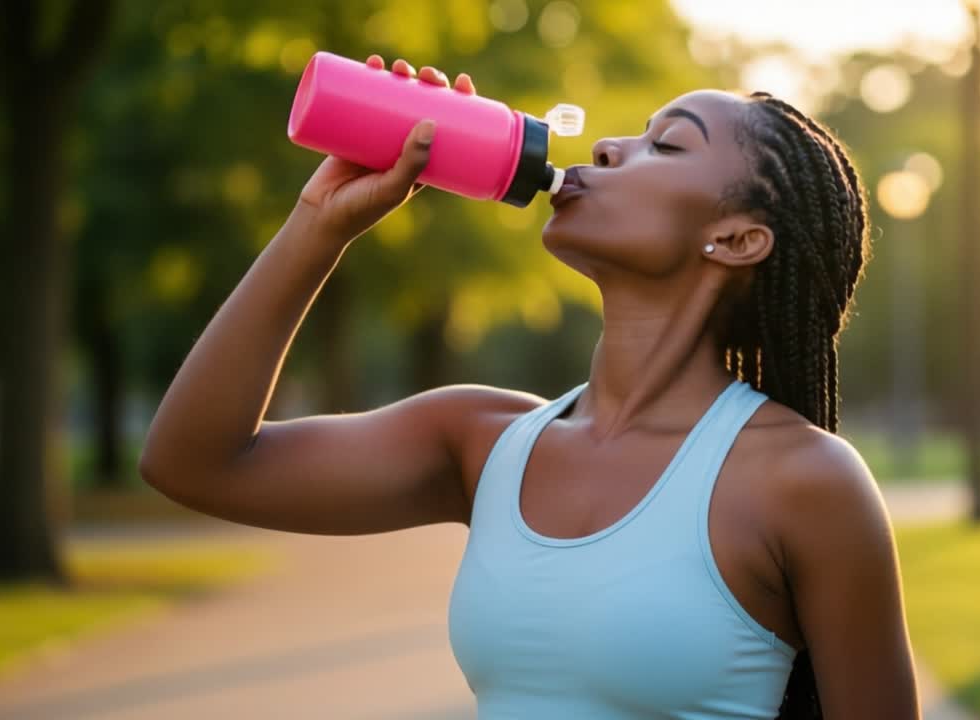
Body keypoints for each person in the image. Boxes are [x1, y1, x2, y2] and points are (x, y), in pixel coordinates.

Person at [140, 54, 921, 720]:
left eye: (667, 145)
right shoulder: (483, 442)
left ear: (736, 238)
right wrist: (320, 223)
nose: (612, 147)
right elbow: (193, 462)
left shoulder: (803, 482)